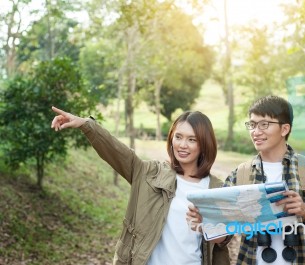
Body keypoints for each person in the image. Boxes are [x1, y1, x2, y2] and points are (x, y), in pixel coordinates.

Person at [50, 106, 230, 265]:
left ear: (204, 144)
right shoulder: (149, 173)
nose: (183, 145)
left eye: (192, 139)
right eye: (178, 137)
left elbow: (224, 240)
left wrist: (206, 223)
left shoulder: (215, 188)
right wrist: (86, 125)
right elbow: (116, 151)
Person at [188, 95, 305, 265]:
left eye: (264, 124)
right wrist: (205, 222)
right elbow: (224, 237)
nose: (256, 131)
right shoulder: (240, 174)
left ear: (284, 129)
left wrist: (304, 209)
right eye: (252, 125)